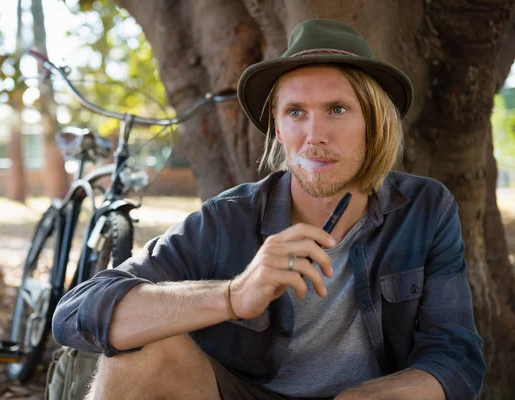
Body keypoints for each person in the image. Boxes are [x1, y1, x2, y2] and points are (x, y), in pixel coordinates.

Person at [52, 18, 485, 400]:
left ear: (374, 124)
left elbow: (455, 354)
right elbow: (77, 312)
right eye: (296, 112)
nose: (314, 135)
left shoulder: (425, 208)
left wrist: (378, 395)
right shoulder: (228, 218)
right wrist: (233, 295)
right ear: (278, 129)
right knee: (141, 350)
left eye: (337, 109)